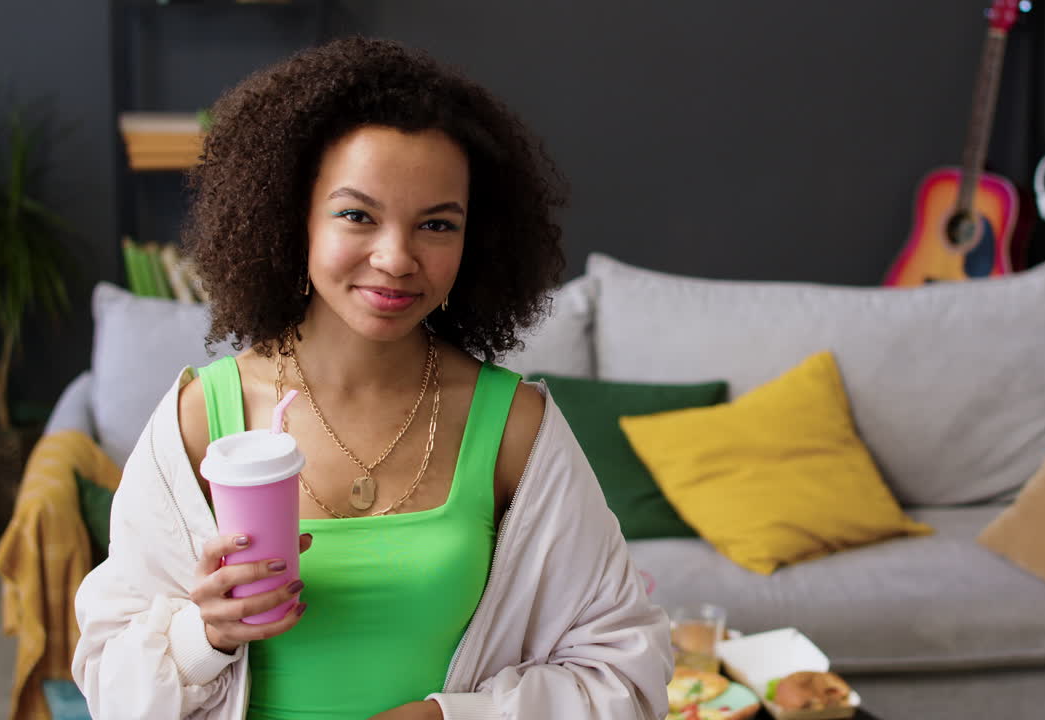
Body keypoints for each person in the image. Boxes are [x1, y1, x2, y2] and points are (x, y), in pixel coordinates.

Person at [72, 35, 673, 720]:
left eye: (437, 225)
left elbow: (627, 672)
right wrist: (200, 636)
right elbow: (107, 677)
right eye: (357, 215)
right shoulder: (201, 420)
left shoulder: (513, 428)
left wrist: (447, 718)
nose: (396, 258)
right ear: (291, 216)